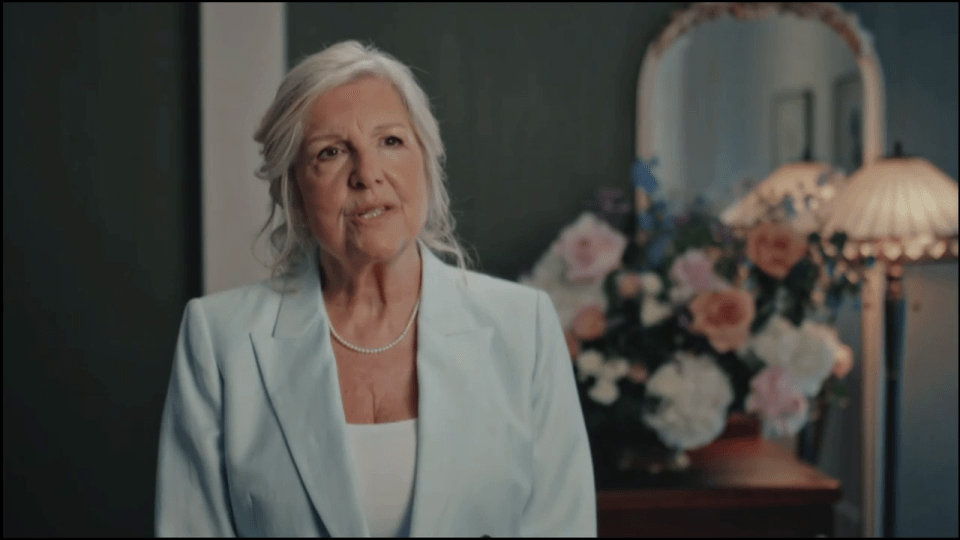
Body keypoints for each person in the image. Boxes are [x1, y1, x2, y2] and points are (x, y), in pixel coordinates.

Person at [154, 40, 596, 537]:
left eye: (390, 141)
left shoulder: (525, 327)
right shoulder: (220, 339)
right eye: (331, 152)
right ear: (294, 190)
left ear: (426, 160)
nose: (367, 174)